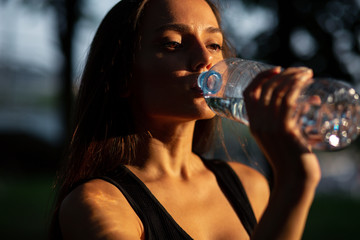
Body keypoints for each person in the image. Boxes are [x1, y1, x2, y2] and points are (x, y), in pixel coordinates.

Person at [49, 0, 321, 239]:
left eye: (214, 44)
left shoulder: (251, 186)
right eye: (173, 44)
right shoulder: (96, 204)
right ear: (122, 76)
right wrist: (293, 183)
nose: (205, 60)